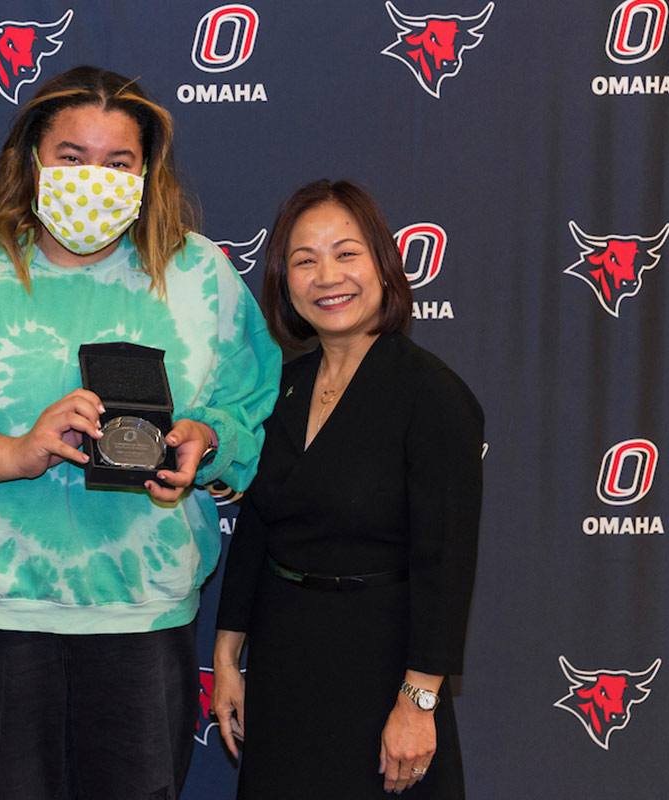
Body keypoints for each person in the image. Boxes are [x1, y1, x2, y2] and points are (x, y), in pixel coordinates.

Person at [0, 66, 280, 800]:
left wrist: (205, 443)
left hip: (144, 611)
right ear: (31, 159)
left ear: (146, 172)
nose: (94, 178)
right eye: (72, 157)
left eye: (118, 163)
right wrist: (17, 451)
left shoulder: (200, 273)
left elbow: (250, 412)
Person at [212, 179, 483, 798]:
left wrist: (418, 704)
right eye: (305, 260)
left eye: (346, 253)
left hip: (381, 668)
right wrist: (228, 656)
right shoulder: (282, 386)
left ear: (384, 267)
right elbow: (257, 529)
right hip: (284, 662)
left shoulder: (433, 396)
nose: (326, 275)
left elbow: (446, 562)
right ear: (285, 281)